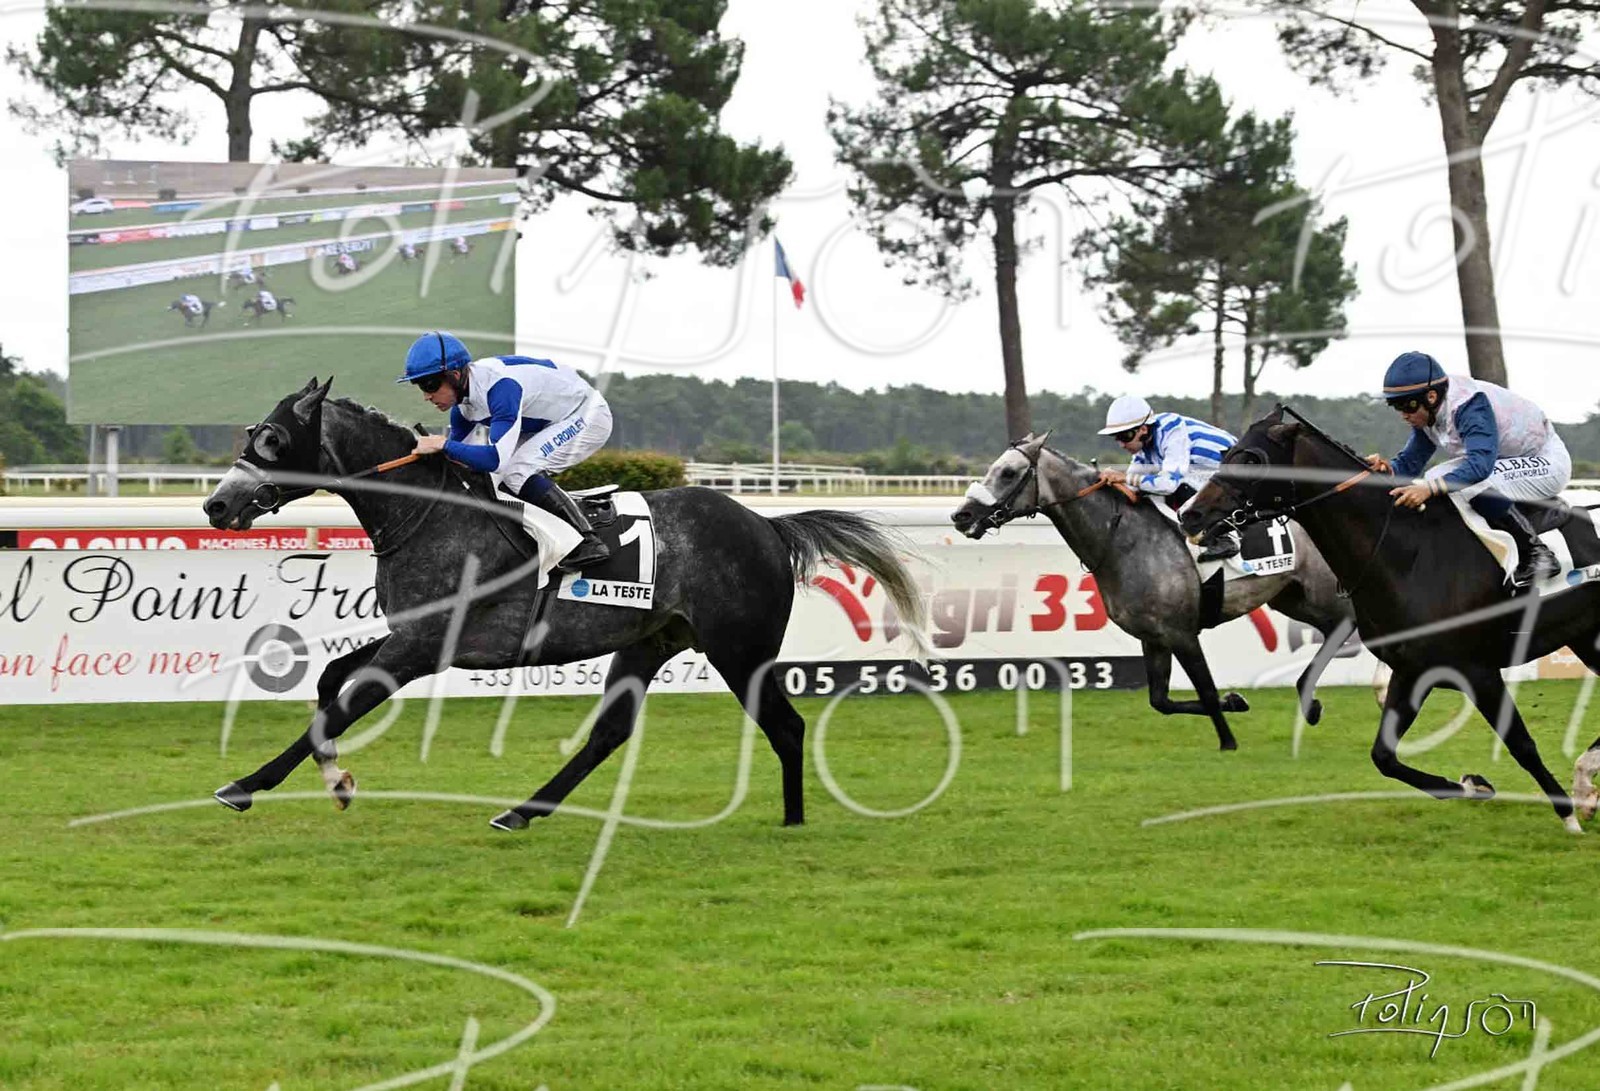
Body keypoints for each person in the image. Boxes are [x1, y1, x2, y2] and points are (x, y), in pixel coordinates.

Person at [398, 331, 613, 571]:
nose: (427, 396)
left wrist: (443, 444)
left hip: (587, 415)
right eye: (421, 386)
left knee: (517, 471)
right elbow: (456, 462)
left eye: (430, 385)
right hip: (549, 420)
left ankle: (587, 541)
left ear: (455, 375)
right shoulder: (462, 408)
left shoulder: (500, 388)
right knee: (499, 478)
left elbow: (495, 459)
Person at [1366, 350, 1565, 588]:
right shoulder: (1430, 412)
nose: (1403, 415)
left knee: (1461, 483)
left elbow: (1479, 466)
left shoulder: (1468, 405)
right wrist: (1383, 469)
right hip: (1508, 460)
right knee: (1435, 475)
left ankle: (1537, 553)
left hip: (1545, 461)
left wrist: (1429, 489)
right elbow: (1409, 465)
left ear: (1431, 396)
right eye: (1396, 406)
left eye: (1406, 405)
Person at [1097, 394, 1241, 561]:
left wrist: (1124, 477)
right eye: (1116, 438)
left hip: (1235, 470)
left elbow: (1168, 484)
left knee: (1178, 486)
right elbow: (1131, 488)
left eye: (1124, 436)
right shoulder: (1143, 446)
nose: (1121, 444)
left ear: (1143, 429)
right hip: (1208, 474)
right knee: (1144, 491)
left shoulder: (1172, 430)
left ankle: (1224, 539)